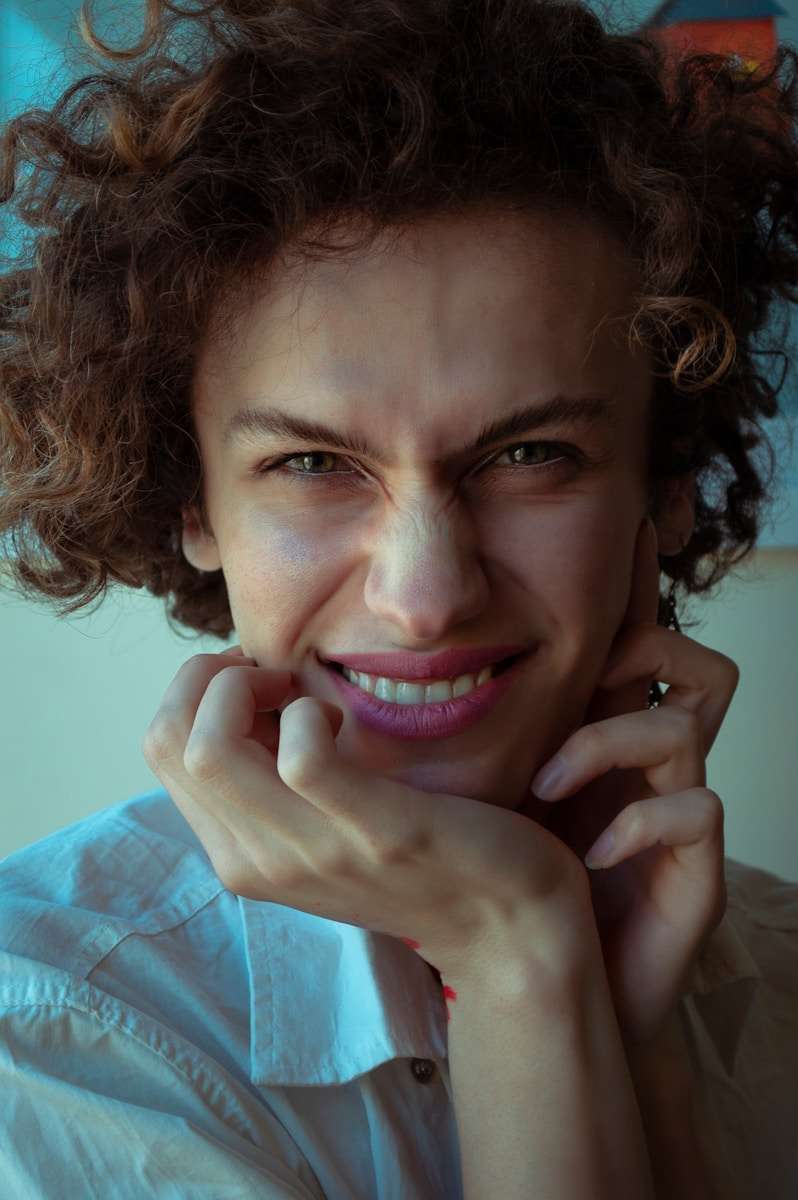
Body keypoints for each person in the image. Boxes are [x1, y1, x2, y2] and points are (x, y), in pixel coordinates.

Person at [1, 0, 797, 1196]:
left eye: (530, 456)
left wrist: (636, 1042)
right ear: (193, 508)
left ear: (667, 488)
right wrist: (512, 949)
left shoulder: (776, 958)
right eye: (313, 465)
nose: (426, 597)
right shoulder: (55, 1033)